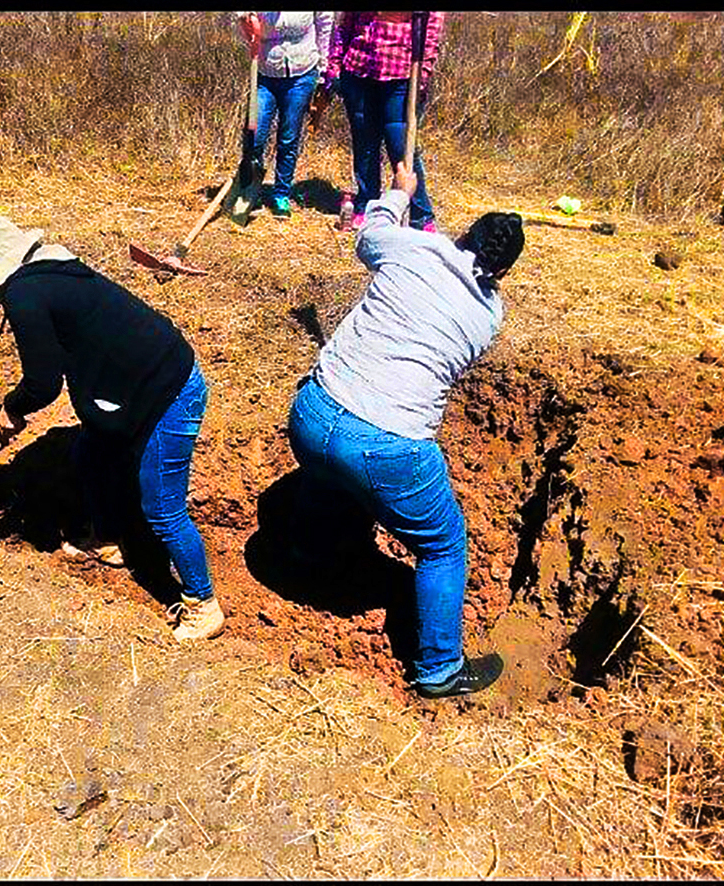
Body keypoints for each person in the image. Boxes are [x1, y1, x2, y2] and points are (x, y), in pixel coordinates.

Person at [285, 161, 524, 699]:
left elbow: (369, 235)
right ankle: (439, 669)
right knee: (443, 544)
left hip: (311, 413)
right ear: (502, 271)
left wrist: (399, 193)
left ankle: (306, 558)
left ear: (461, 234)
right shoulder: (489, 314)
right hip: (386, 443)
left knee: (325, 471)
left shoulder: (415, 247)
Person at [0, 212, 223, 643]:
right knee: (90, 454)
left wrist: (3, 420)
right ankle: (109, 539)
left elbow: (42, 383)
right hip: (132, 384)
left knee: (162, 507)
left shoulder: (25, 297)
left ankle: (203, 604)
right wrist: (2, 418)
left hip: (168, 391)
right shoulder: (47, 269)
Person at [317, 11, 445, 232]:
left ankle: (420, 215)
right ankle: (367, 203)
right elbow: (345, 25)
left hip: (401, 73)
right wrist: (335, 65)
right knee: (365, 143)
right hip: (358, 69)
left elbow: (431, 31)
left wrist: (424, 73)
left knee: (401, 146)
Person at [234, 12, 334, 219]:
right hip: (265, 73)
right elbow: (240, 17)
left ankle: (281, 194)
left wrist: (324, 68)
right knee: (255, 136)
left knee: (289, 137)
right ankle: (249, 194)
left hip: (302, 72)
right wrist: (245, 22)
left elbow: (325, 25)